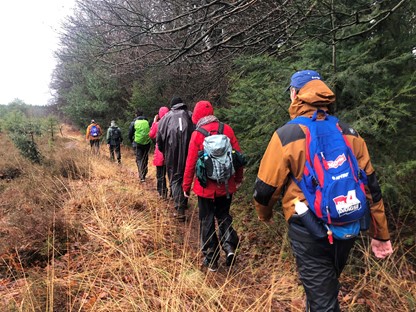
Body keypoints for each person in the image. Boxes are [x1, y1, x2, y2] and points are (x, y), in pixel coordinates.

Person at [253, 70, 393, 311]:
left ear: (294, 95)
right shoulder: (349, 133)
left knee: (323, 301)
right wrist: (380, 233)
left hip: (308, 227)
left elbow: (265, 189)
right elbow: (371, 186)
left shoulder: (287, 135)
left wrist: (264, 215)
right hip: (347, 221)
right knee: (325, 288)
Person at [183, 100, 243, 272]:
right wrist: (238, 179)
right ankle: (229, 247)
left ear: (197, 115)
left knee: (207, 220)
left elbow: (190, 163)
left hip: (205, 189)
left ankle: (212, 259)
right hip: (226, 185)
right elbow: (238, 158)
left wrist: (186, 187)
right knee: (224, 216)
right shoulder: (227, 129)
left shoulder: (197, 134)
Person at [156, 97, 194, 221]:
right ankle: (184, 201)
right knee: (186, 175)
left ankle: (179, 209)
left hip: (171, 152)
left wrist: (164, 152)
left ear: (172, 106)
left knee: (174, 178)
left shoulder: (165, 118)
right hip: (189, 151)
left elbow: (159, 140)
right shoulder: (190, 116)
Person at [149, 106, 170, 198]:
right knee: (172, 175)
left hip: (160, 153)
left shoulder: (158, 124)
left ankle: (162, 193)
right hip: (171, 153)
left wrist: (154, 122)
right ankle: (174, 193)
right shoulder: (171, 123)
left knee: (160, 174)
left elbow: (151, 134)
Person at [128, 110, 151, 182]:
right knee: (145, 157)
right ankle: (145, 172)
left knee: (139, 159)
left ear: (136, 115)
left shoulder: (134, 122)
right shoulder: (147, 122)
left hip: (137, 143)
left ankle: (142, 176)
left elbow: (130, 134)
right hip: (147, 143)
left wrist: (132, 141)